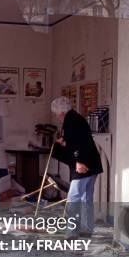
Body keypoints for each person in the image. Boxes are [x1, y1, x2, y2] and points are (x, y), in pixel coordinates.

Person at [51, 96, 103, 237]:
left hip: (83, 164)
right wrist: (65, 142)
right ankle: (87, 229)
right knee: (87, 197)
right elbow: (77, 141)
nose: (57, 118)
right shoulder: (76, 118)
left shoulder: (70, 120)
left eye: (57, 115)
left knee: (74, 197)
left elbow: (78, 145)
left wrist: (78, 162)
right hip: (92, 162)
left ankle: (72, 232)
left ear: (61, 112)